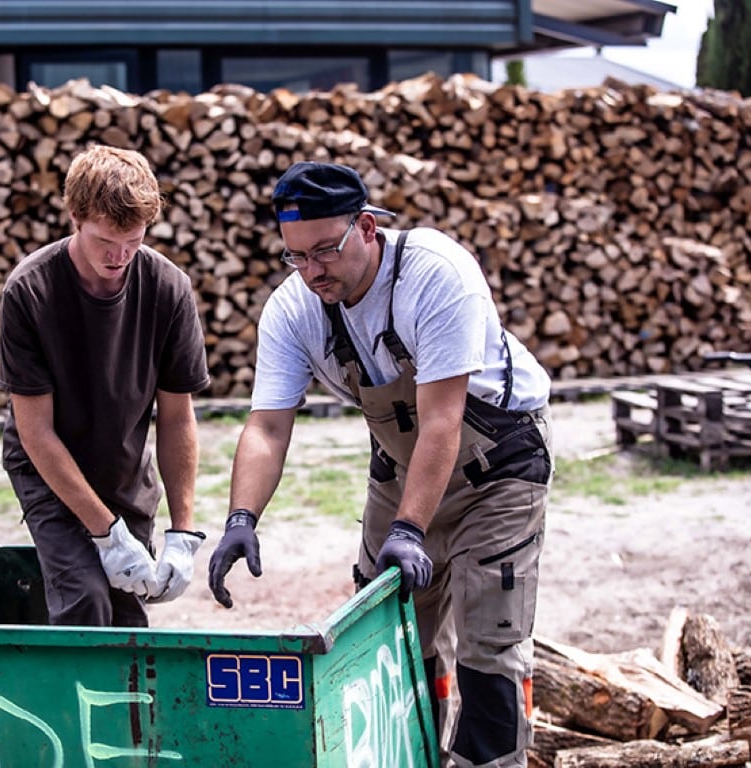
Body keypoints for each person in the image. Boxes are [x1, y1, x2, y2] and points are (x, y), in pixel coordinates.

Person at [207, 161, 553, 768]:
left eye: (324, 252)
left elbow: (443, 418)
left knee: (488, 647)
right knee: (389, 640)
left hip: (496, 469)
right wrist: (241, 517)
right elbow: (267, 426)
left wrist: (407, 530)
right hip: (401, 468)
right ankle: (415, 757)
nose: (311, 272)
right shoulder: (294, 309)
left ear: (367, 227)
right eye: (296, 257)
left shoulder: (436, 275)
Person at [0, 144, 210, 628]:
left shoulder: (168, 288)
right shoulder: (29, 291)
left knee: (128, 610)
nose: (119, 257)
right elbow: (35, 433)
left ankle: (131, 707)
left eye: (133, 241)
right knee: (85, 601)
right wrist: (106, 535)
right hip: (47, 468)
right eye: (104, 241)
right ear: (75, 217)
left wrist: (182, 531)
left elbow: (178, 419)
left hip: (123, 466)